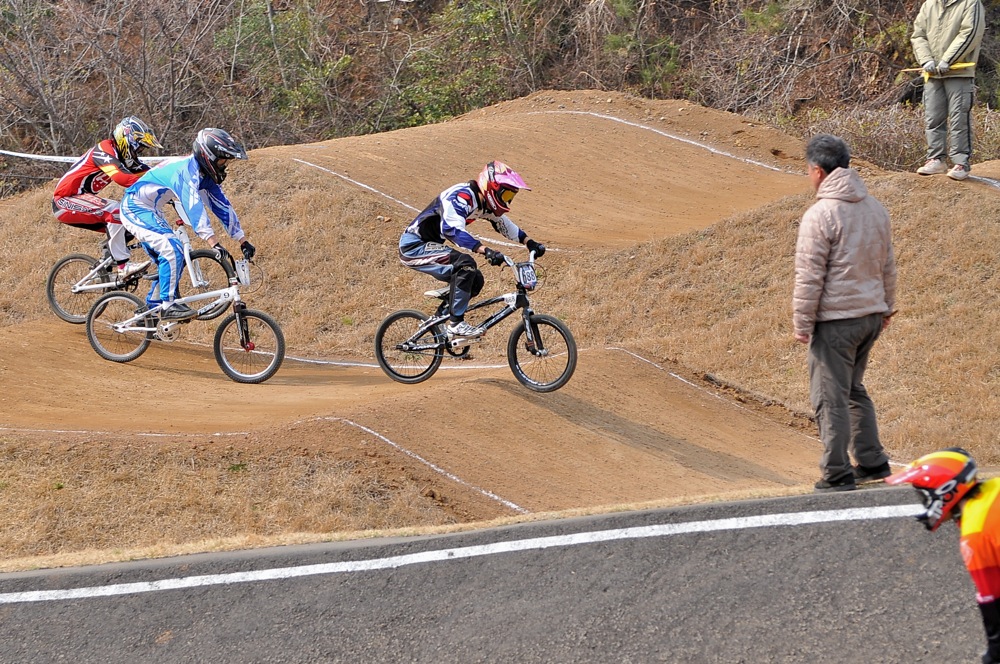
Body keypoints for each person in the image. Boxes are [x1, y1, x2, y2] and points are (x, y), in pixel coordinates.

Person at [793, 134, 897, 493]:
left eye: (808, 171)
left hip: (836, 321)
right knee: (853, 389)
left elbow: (809, 276)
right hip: (870, 316)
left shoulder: (821, 214)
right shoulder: (875, 208)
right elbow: (888, 264)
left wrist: (802, 323)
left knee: (830, 396)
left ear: (819, 171)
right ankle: (871, 462)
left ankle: (836, 472)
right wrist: (886, 307)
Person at [119, 128, 255, 321]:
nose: (224, 166)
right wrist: (213, 242)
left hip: (151, 210)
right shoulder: (185, 170)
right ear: (209, 156)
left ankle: (151, 311)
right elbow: (194, 208)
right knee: (172, 249)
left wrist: (242, 240)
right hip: (134, 207)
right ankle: (167, 306)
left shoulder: (204, 176)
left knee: (173, 259)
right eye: (223, 161)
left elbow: (223, 207)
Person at [398, 161, 545, 338]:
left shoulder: (482, 202)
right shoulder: (462, 196)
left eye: (510, 198)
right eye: (505, 195)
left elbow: (503, 223)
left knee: (475, 280)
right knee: (466, 264)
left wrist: (529, 242)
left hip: (429, 245)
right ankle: (456, 324)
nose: (507, 201)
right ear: (492, 187)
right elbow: (451, 230)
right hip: (414, 246)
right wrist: (484, 250)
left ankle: (440, 320)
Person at [886, 448, 1000, 663]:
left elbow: (992, 601)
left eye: (923, 495)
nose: (924, 503)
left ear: (946, 490)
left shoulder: (975, 533)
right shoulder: (995, 486)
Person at [52, 116, 163, 279]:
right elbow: (122, 179)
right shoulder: (104, 150)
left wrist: (167, 183)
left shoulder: (123, 157)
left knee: (130, 220)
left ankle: (104, 269)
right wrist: (151, 184)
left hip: (78, 199)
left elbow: (150, 173)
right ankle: (123, 266)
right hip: (64, 200)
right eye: (139, 148)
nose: (139, 152)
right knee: (116, 211)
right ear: (127, 140)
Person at [911, 0, 985, 181]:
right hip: (932, 73)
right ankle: (936, 159)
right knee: (933, 117)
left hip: (959, 72)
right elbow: (918, 35)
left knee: (959, 118)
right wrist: (926, 60)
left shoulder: (971, 3)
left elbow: (970, 33)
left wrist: (948, 59)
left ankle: (961, 162)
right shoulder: (929, 4)